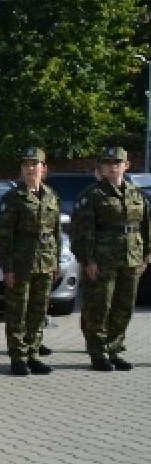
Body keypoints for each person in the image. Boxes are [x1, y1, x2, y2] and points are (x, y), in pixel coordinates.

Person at [71, 145, 149, 371]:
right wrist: (88, 261)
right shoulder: (91, 196)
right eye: (108, 164)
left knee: (124, 307)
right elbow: (82, 232)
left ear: (126, 166)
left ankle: (114, 349)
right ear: (102, 168)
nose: (113, 168)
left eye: (117, 163)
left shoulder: (136, 194)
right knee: (100, 307)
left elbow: (145, 228)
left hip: (131, 258)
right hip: (102, 261)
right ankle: (98, 353)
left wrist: (146, 256)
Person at [0, 147, 61, 376]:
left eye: (35, 165)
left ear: (44, 168)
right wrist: (8, 267)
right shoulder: (13, 198)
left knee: (38, 311)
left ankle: (33, 354)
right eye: (26, 165)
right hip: (21, 263)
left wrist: (55, 263)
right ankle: (18, 357)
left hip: (45, 261)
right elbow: (4, 237)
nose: (30, 169)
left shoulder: (51, 196)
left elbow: (56, 232)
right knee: (18, 312)